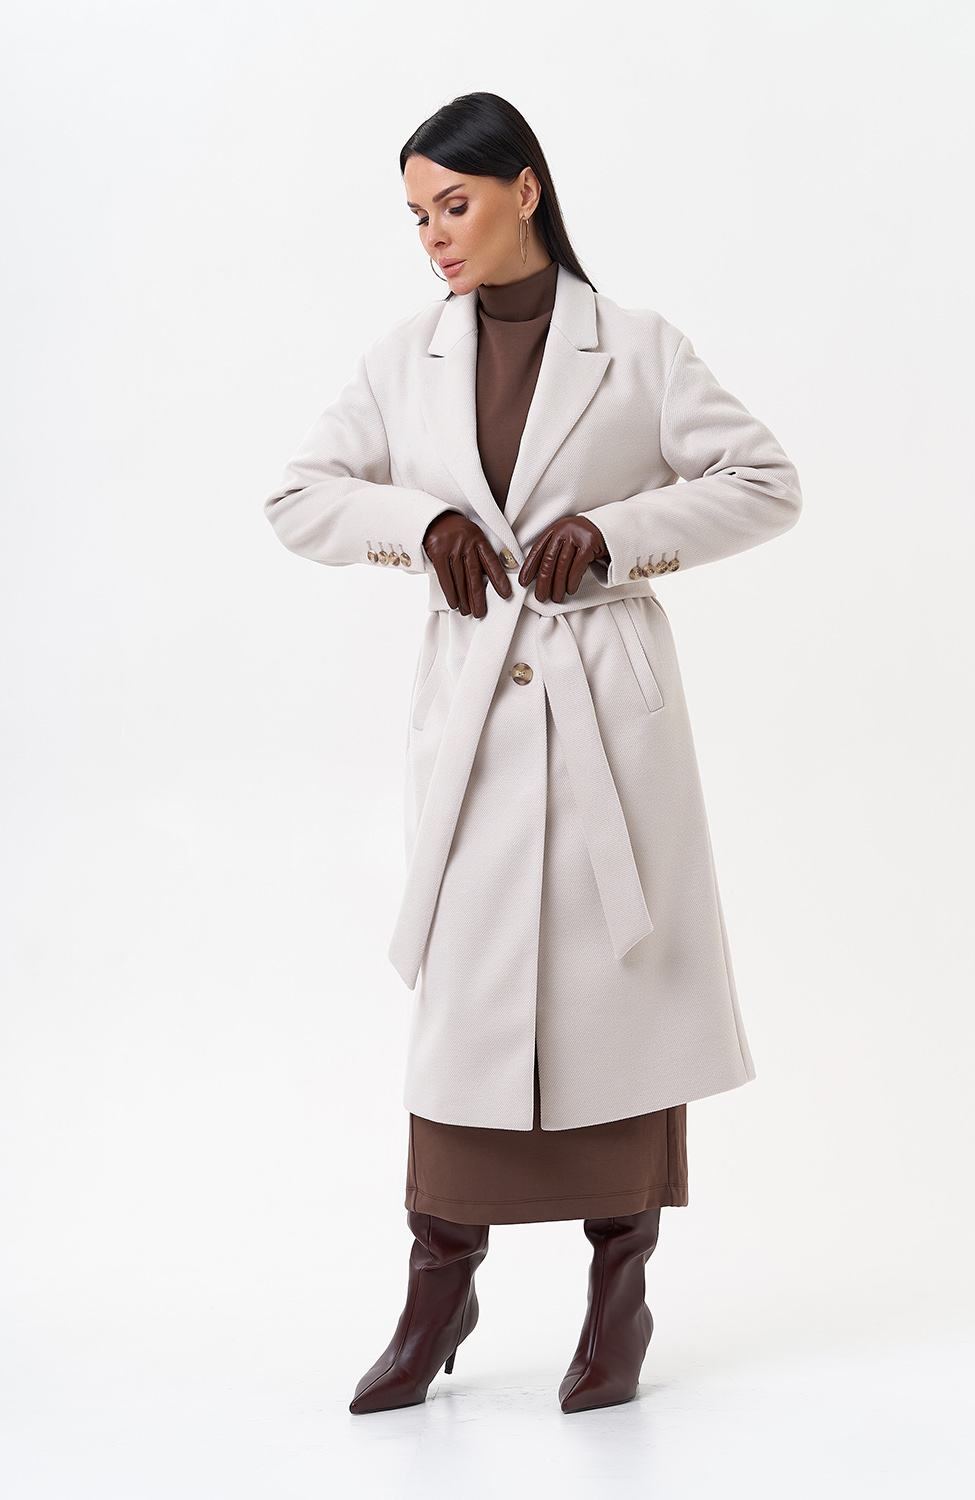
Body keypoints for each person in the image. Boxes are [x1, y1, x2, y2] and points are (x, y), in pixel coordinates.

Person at [262, 91, 802, 1415]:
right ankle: (438, 1292)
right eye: (416, 216)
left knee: (625, 1001)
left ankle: (620, 1301)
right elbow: (299, 496)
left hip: (608, 716)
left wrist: (618, 536)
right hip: (476, 733)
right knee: (465, 1010)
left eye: (454, 204)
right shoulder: (403, 359)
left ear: (527, 190)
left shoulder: (642, 347)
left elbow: (764, 483)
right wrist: (422, 523)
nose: (434, 237)